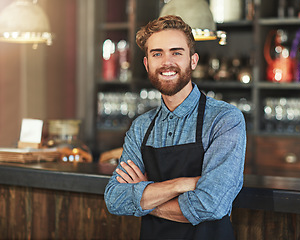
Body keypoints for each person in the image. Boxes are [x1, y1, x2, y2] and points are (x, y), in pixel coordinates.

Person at [104, 15, 246, 240]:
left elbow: (211, 204)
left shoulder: (224, 119)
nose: (166, 62)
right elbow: (115, 199)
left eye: (176, 52)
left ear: (193, 61)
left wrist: (145, 195)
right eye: (157, 53)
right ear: (146, 63)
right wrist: (182, 184)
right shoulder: (141, 127)